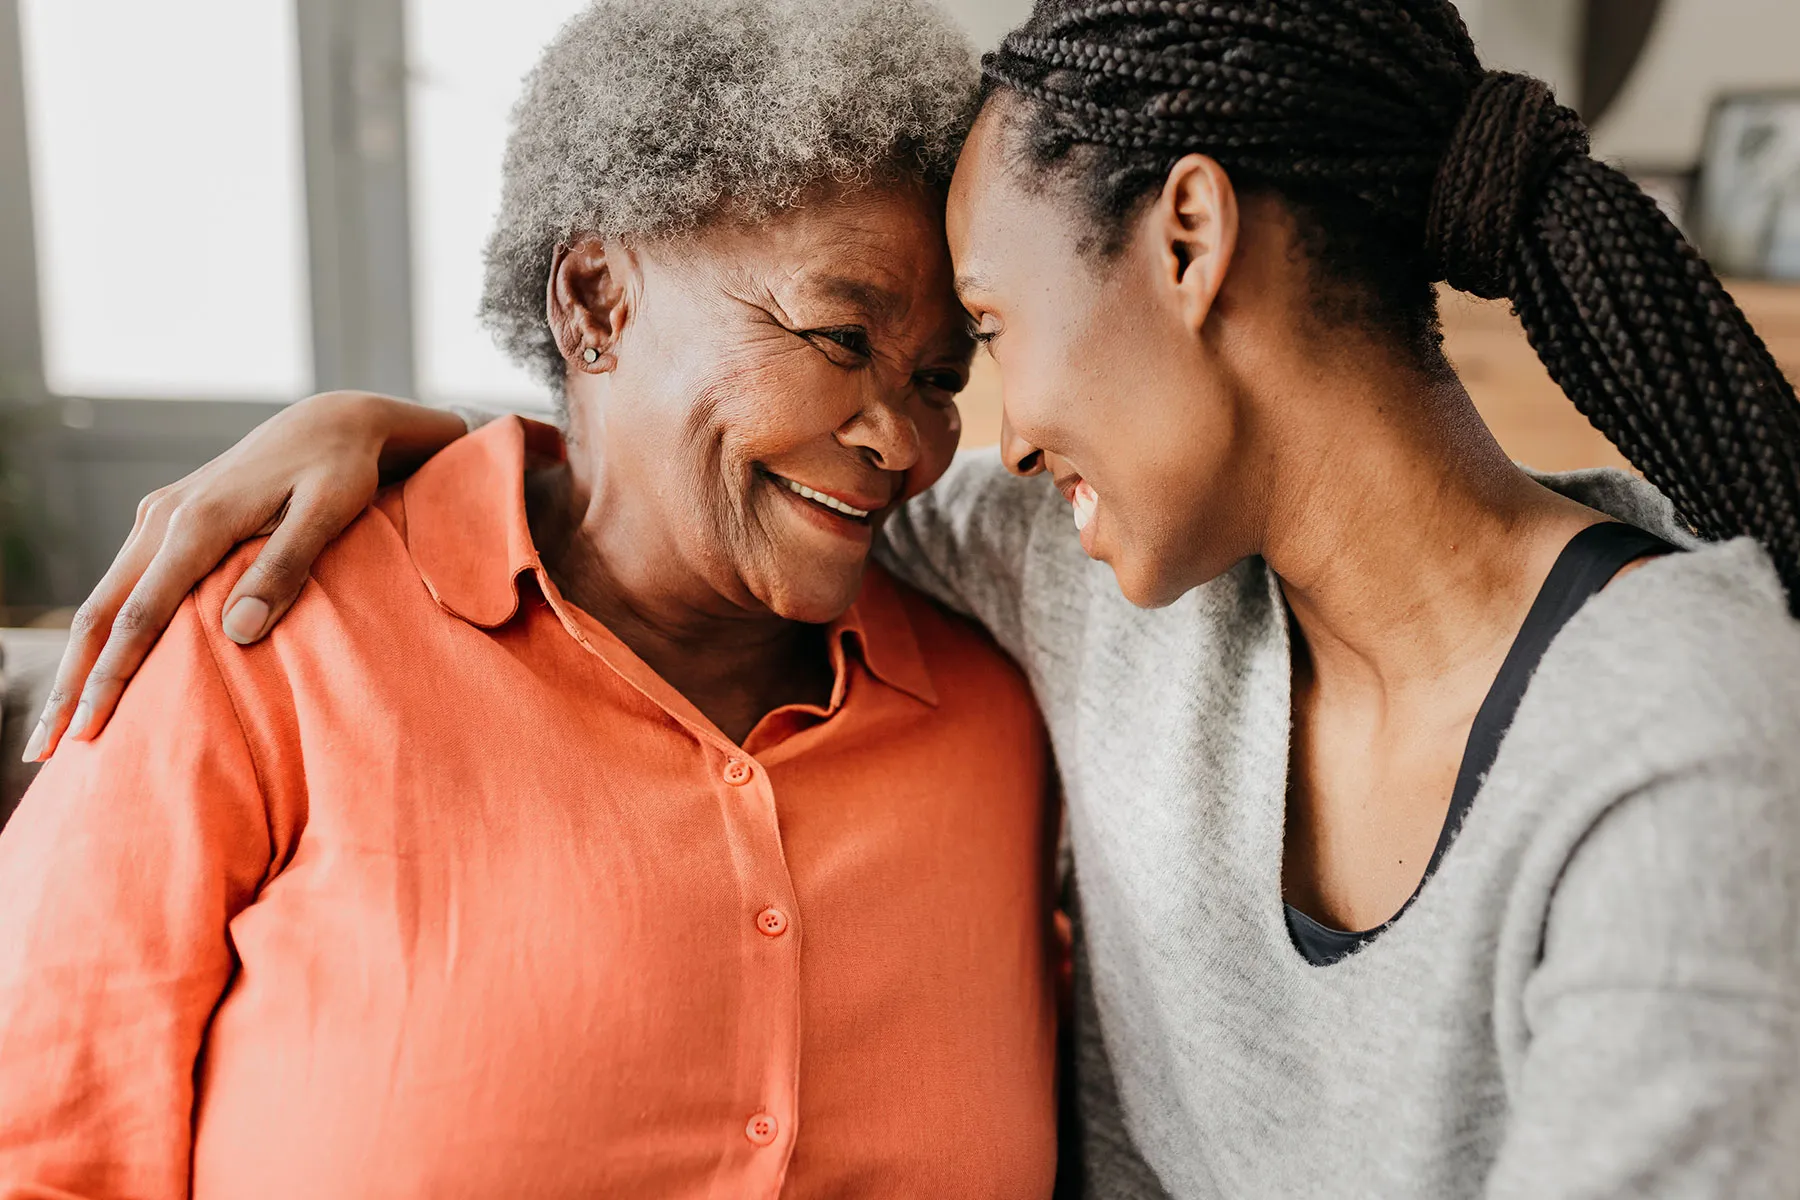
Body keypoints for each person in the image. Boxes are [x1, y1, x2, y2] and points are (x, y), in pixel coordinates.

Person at [26, 0, 1800, 1195]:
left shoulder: (1654, 724)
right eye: (846, 338)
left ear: (1186, 244)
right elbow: (670, 496)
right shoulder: (1088, 589)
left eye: (974, 350)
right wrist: (392, 433)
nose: (957, 439)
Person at [0, 2, 1064, 1197]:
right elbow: (43, 1142)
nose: (903, 440)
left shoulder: (998, 718)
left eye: (937, 379)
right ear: (596, 301)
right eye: (836, 334)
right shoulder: (266, 636)